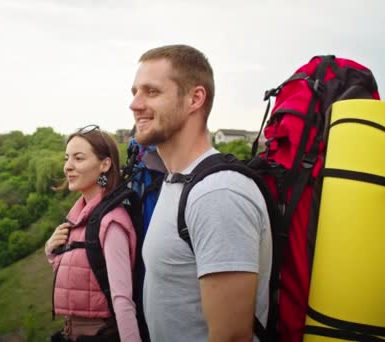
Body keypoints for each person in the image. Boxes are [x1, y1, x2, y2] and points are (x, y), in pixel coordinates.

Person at [129, 44, 272, 341]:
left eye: (151, 92)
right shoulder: (176, 181)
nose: (135, 104)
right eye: (135, 92)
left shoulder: (217, 194)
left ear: (195, 98)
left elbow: (231, 338)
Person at [45, 125, 141, 342]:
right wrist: (51, 252)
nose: (68, 167)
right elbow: (83, 277)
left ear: (104, 164)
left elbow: (122, 300)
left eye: (78, 158)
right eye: (67, 158)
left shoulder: (111, 222)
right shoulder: (81, 219)